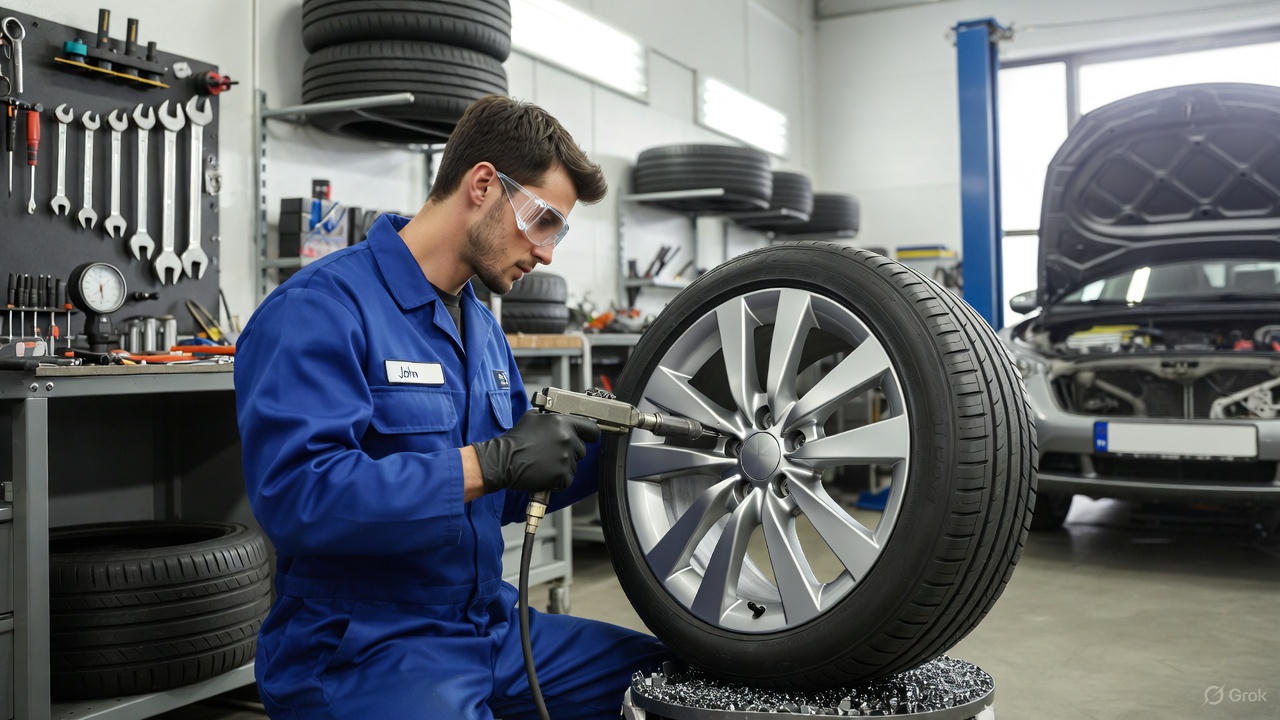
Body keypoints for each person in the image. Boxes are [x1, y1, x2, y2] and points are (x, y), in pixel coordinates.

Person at [235, 95, 670, 719]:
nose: (547, 252)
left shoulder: (480, 328)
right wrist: (488, 462)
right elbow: (300, 499)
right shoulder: (320, 309)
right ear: (484, 184)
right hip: (363, 647)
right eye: (543, 220)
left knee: (676, 686)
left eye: (559, 232)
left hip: (485, 626)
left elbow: (507, 490)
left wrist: (596, 450)